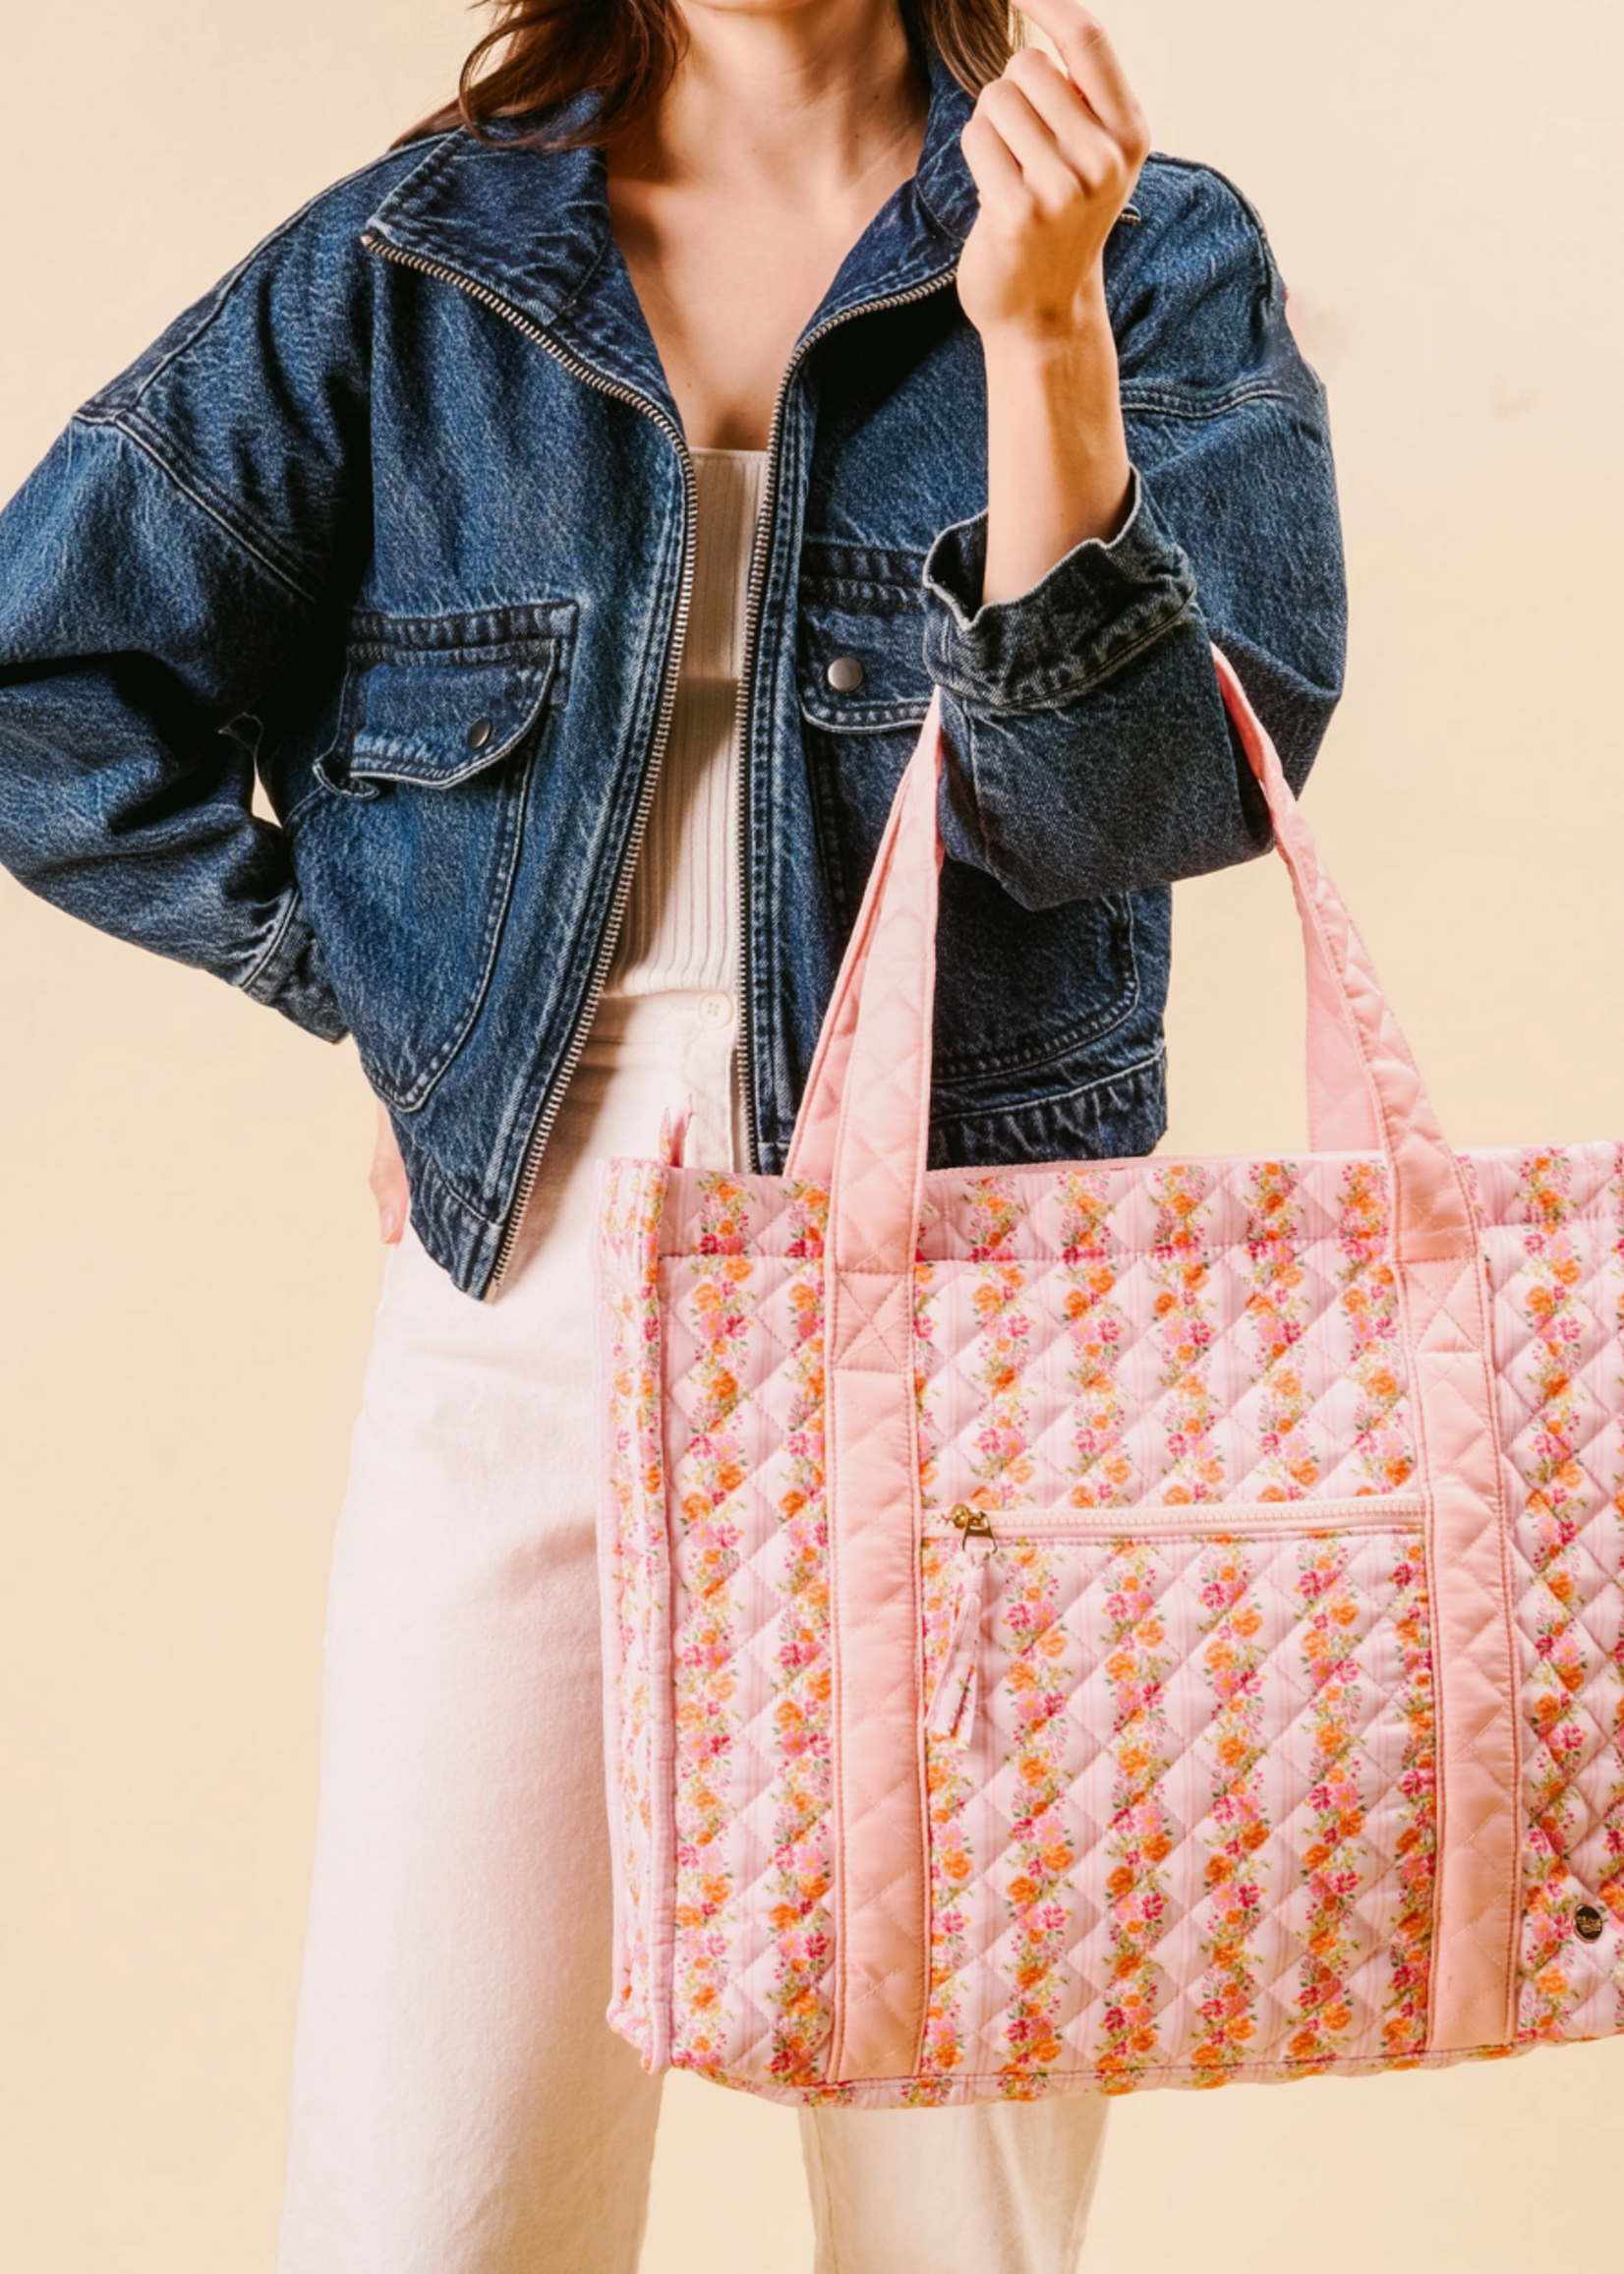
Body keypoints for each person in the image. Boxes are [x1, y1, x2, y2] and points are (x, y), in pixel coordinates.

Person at [0, 0, 1344, 2265]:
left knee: (961, 2219)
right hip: (533, 1296)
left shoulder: (1153, 250)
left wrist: (1039, 337)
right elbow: (47, 679)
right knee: (435, 2197)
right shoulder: (410, 268)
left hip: (984, 1335)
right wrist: (411, 1004)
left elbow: (1132, 805)